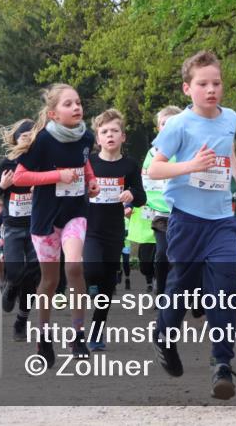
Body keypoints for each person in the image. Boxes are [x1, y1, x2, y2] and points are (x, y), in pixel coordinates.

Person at [146, 51, 236, 400]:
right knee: (182, 290)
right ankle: (164, 335)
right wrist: (191, 165)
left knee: (224, 289)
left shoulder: (231, 118)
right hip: (187, 221)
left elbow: (228, 149)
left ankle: (221, 364)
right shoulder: (179, 124)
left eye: (217, 83)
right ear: (187, 89)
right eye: (203, 84)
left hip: (222, 219)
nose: (211, 90)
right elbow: (155, 169)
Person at [10, 84, 99, 364]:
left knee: (74, 266)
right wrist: (56, 176)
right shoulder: (42, 141)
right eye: (68, 104)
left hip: (75, 212)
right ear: (53, 114)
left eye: (78, 102)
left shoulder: (86, 136)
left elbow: (84, 164)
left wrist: (91, 179)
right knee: (50, 281)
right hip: (46, 217)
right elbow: (20, 179)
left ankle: (78, 335)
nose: (76, 107)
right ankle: (43, 335)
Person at [85, 108, 146, 350]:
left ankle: (97, 333)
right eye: (104, 131)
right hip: (90, 227)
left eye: (114, 131)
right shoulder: (89, 163)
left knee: (108, 285)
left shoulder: (130, 165)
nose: (110, 135)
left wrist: (132, 194)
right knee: (92, 269)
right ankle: (91, 285)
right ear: (97, 138)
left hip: (115, 230)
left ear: (123, 137)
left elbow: (141, 196)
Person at [0, 119, 40, 341]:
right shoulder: (8, 163)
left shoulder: (42, 163)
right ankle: (11, 287)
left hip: (36, 226)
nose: (28, 140)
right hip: (12, 226)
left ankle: (21, 320)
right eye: (24, 136)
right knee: (15, 270)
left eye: (32, 136)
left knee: (33, 273)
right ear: (15, 139)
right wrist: (2, 187)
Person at [144, 106, 182, 295]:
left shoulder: (185, 150)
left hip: (183, 212)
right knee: (162, 254)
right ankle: (160, 291)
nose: (167, 127)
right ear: (158, 128)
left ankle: (182, 292)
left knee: (182, 256)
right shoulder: (151, 154)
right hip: (160, 214)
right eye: (163, 123)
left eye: (172, 123)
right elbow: (146, 180)